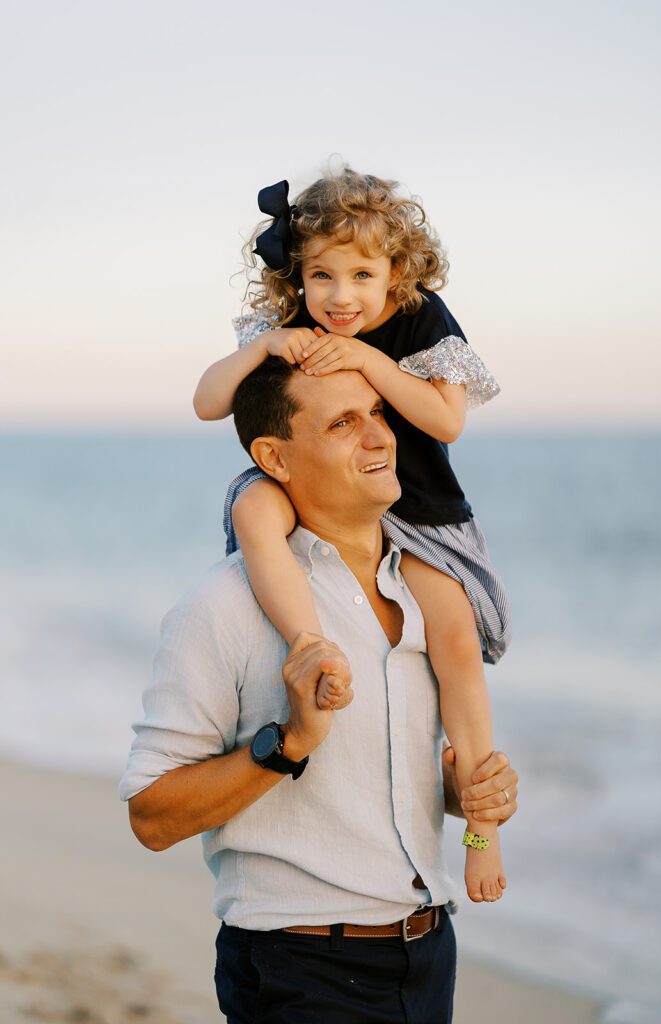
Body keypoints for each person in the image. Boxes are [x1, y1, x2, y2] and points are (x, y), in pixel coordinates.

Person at [121, 360, 519, 1024]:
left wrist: (468, 801)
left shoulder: (427, 596)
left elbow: (392, 783)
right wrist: (291, 743)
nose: (378, 437)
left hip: (428, 953)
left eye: (378, 414)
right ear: (273, 457)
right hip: (299, 967)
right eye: (342, 422)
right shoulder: (223, 606)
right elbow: (151, 818)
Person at [193, 168, 510, 902]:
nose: (340, 296)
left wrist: (370, 361)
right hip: (317, 492)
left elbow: (446, 421)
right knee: (252, 507)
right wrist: (262, 350)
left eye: (361, 274)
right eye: (320, 275)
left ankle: (480, 830)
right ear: (295, 276)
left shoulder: (421, 317)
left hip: (418, 509)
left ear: (396, 271)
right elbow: (209, 401)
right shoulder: (288, 327)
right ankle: (310, 642)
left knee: (454, 640)